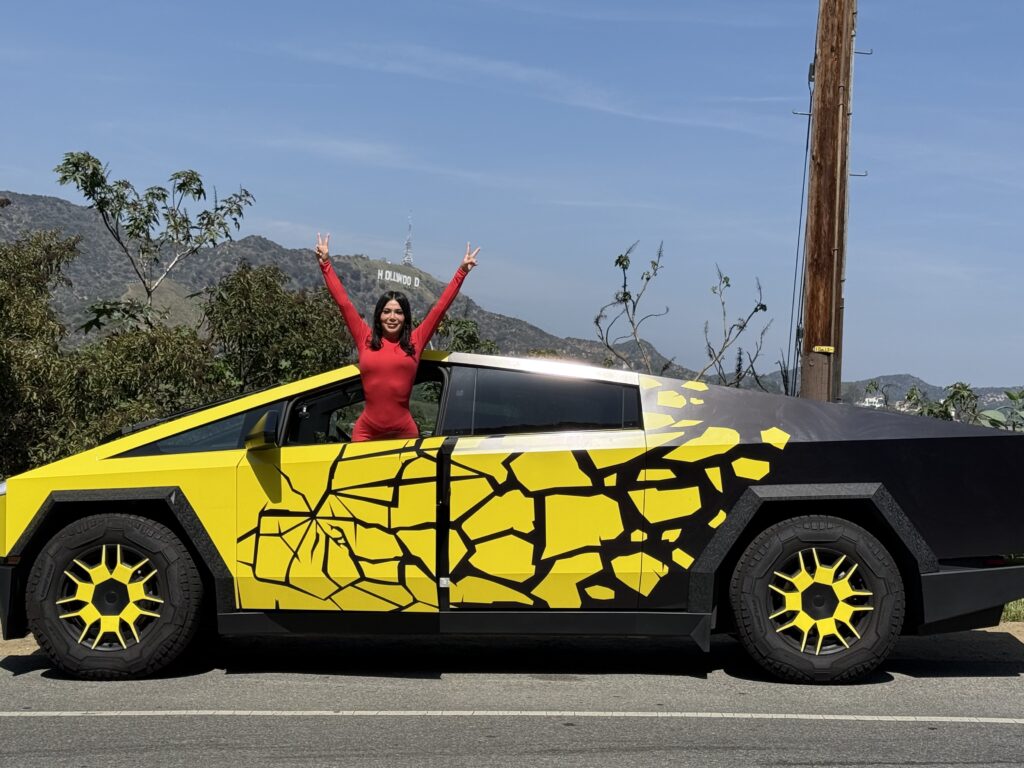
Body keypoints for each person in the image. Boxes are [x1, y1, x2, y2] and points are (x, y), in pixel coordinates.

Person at [315, 232, 479, 442]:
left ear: (405, 317)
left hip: (404, 434)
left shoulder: (415, 342)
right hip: (366, 433)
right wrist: (325, 264)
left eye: (398, 312)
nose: (392, 317)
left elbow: (439, 308)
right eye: (387, 311)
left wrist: (462, 271)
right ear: (379, 315)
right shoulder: (365, 339)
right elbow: (344, 303)